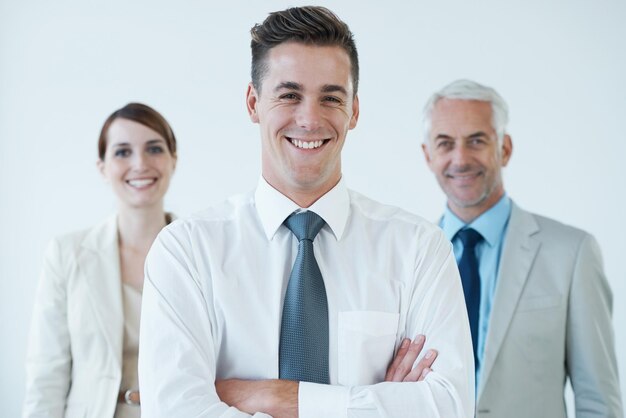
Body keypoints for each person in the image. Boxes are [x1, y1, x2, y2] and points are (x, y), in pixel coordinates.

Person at [139, 6, 473, 418]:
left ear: (353, 110)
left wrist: (272, 397)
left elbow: (450, 407)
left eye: (331, 97)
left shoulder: (419, 249)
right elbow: (174, 411)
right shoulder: (186, 252)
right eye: (289, 95)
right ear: (253, 102)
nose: (310, 119)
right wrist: (377, 403)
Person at [421, 79, 623, 417]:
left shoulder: (572, 254)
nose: (461, 158)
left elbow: (598, 402)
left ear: (505, 148)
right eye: (445, 143)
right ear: (428, 155)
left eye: (476, 140)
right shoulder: (409, 256)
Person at [23, 103, 178, 418]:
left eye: (154, 148)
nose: (140, 163)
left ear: (173, 161)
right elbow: (46, 376)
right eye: (122, 152)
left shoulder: (203, 253)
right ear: (102, 167)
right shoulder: (67, 254)